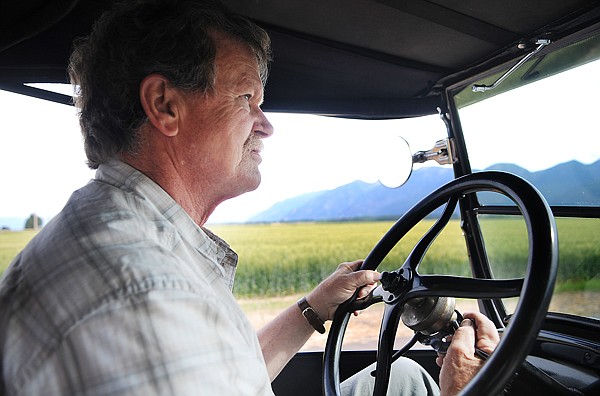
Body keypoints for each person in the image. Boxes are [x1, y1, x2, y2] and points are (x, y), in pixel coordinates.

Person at [0, 0, 498, 395]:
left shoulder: (130, 239)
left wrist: (312, 309)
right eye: (247, 99)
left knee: (406, 380)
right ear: (165, 105)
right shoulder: (142, 291)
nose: (267, 125)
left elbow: (223, 376)